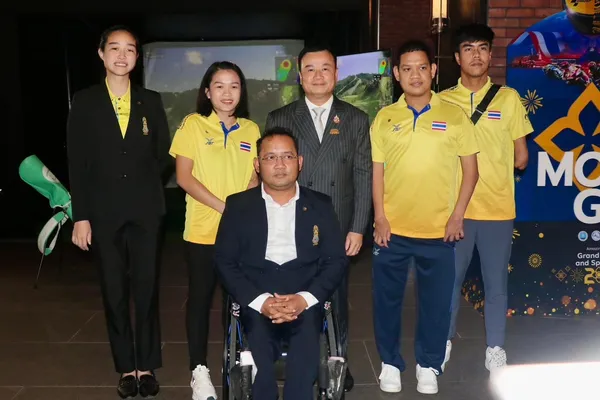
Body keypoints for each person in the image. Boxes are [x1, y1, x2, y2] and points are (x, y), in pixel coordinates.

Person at [370, 39, 480, 395]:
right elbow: (377, 173)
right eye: (407, 69)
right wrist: (380, 218)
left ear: (433, 70)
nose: (415, 75)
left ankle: (428, 364)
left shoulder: (455, 115)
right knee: (386, 302)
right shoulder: (385, 117)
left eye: (422, 67)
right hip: (392, 231)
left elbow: (471, 172)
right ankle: (390, 362)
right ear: (396, 74)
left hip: (439, 231)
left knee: (435, 305)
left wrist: (457, 216)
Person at [67, 25, 171, 399]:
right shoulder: (85, 101)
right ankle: (127, 367)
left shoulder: (151, 101)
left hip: (145, 211)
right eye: (115, 48)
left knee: (146, 289)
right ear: (101, 54)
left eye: (130, 49)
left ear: (137, 57)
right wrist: (81, 216)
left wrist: (141, 185)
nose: (122, 55)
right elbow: (77, 161)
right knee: (113, 291)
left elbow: (162, 154)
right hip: (103, 212)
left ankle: (147, 366)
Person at [265, 45, 372, 390]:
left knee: (335, 298)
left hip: (337, 224)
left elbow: (363, 175)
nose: (318, 75)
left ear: (336, 74)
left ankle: (338, 360)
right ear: (300, 76)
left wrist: (358, 227)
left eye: (325, 68)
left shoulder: (356, 119)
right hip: (290, 222)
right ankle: (291, 357)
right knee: (289, 292)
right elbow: (271, 175)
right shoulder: (280, 117)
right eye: (310, 69)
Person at [214, 128, 348, 400]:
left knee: (306, 346)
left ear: (299, 162)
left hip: (305, 295)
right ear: (257, 164)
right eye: (270, 157)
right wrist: (260, 301)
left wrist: (304, 299)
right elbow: (225, 262)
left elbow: (335, 260)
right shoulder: (238, 205)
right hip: (256, 296)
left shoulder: (320, 205)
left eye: (287, 156)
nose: (279, 165)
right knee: (258, 347)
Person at [440, 23, 533, 371]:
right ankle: (442, 342)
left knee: (496, 284)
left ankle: (495, 347)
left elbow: (522, 157)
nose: (475, 55)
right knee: (448, 283)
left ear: (490, 54)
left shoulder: (509, 99)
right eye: (468, 49)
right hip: (454, 212)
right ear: (457, 57)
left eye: (482, 48)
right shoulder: (442, 101)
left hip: (497, 209)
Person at [169, 61, 260, 400]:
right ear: (207, 92)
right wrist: (225, 208)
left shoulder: (251, 129)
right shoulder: (193, 125)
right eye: (219, 86)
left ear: (241, 91)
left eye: (234, 85)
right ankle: (199, 370)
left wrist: (241, 209)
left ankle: (238, 361)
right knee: (200, 300)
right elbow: (184, 177)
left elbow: (254, 178)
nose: (227, 93)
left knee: (238, 300)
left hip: (240, 235)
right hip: (202, 232)